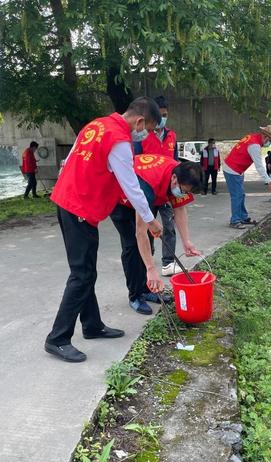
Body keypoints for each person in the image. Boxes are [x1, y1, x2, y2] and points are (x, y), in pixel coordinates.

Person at [44, 97, 163, 363]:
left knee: (86, 270)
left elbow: (71, 160)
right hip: (79, 207)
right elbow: (130, 184)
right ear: (140, 121)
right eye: (149, 129)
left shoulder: (96, 125)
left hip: (69, 201)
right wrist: (151, 220)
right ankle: (58, 338)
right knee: (82, 273)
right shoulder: (119, 139)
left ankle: (92, 325)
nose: (145, 135)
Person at [111, 155, 203, 314]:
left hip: (148, 197)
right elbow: (140, 232)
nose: (182, 194)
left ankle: (146, 289)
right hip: (120, 199)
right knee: (132, 245)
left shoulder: (181, 174)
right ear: (174, 179)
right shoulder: (147, 186)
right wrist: (151, 269)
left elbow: (179, 208)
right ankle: (135, 295)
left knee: (150, 239)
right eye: (183, 191)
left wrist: (187, 241)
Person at [134, 95, 180, 277]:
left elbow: (175, 162)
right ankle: (148, 261)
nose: (163, 118)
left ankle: (168, 262)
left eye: (165, 114)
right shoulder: (141, 136)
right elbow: (135, 163)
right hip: (148, 190)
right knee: (147, 226)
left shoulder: (171, 135)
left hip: (167, 190)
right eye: (159, 115)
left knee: (169, 224)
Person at [222, 126, 271, 229]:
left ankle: (243, 217)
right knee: (237, 196)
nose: (270, 143)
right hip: (232, 169)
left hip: (237, 168)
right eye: (270, 140)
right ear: (265, 136)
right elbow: (259, 166)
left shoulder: (252, 137)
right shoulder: (254, 145)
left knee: (241, 194)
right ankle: (235, 220)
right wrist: (269, 182)